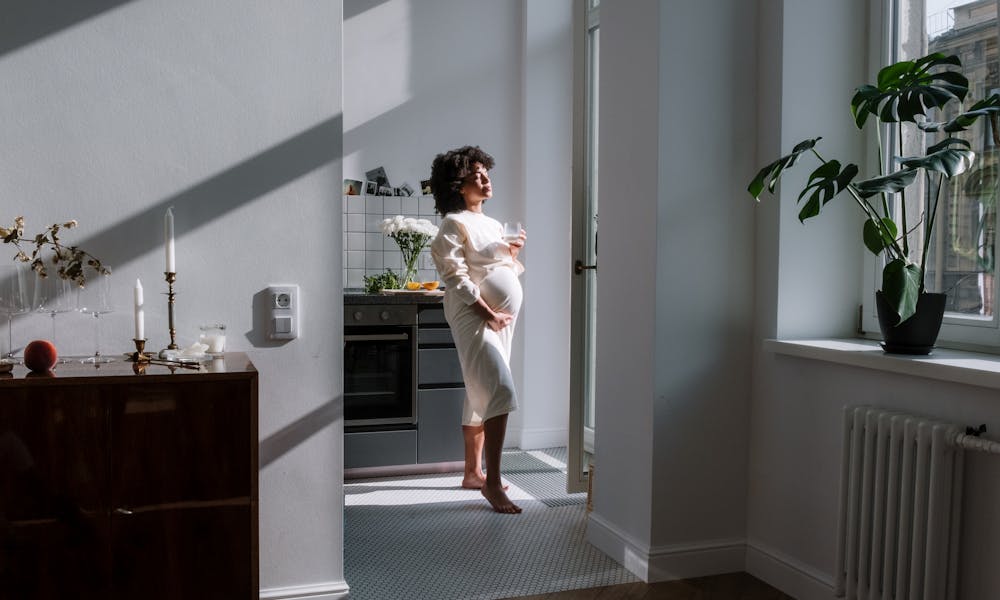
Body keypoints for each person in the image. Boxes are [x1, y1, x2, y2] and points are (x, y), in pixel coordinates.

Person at [429, 145, 526, 514]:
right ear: (458, 186)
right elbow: (455, 276)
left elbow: (498, 271)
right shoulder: (453, 223)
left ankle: (473, 473)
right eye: (476, 176)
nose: (486, 181)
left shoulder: (494, 224)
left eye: (486, 174)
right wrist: (487, 313)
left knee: (479, 389)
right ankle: (493, 484)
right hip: (475, 315)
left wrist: (512, 255)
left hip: (499, 318)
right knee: (499, 388)